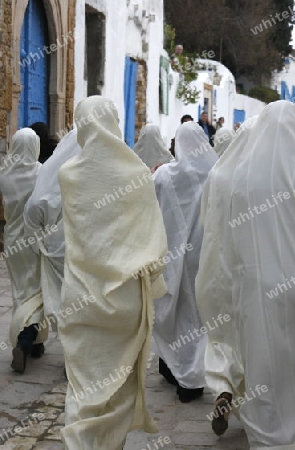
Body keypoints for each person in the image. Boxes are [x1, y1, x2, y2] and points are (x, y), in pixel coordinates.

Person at [58, 96, 168, 450]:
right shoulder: (136, 174)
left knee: (83, 382)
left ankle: (81, 441)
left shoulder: (68, 174)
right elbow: (153, 237)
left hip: (81, 296)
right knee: (119, 383)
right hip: (125, 297)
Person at [196, 101, 295, 448]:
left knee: (261, 362)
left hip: (252, 286)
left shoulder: (240, 177)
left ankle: (267, 434)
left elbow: (222, 237)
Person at [152, 121, 218, 403]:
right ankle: (191, 377)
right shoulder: (217, 173)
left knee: (171, 307)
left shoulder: (164, 175)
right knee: (199, 312)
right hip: (204, 253)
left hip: (170, 251)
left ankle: (173, 366)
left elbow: (150, 206)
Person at [0, 128, 47, 373]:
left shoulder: (4, 173)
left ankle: (33, 341)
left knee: (20, 290)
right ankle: (27, 340)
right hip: (34, 239)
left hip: (12, 240)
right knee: (37, 290)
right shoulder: (41, 172)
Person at [24, 130, 82, 321]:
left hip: (54, 249)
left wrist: (37, 241)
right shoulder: (93, 173)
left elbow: (35, 206)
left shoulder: (50, 172)